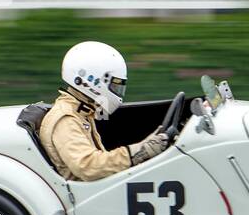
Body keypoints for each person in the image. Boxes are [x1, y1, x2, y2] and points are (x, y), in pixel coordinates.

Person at [39, 41, 168, 181]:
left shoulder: (82, 112)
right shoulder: (66, 118)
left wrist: (143, 149)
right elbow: (87, 167)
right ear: (92, 80)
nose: (118, 92)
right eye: (115, 86)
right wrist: (139, 152)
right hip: (84, 196)